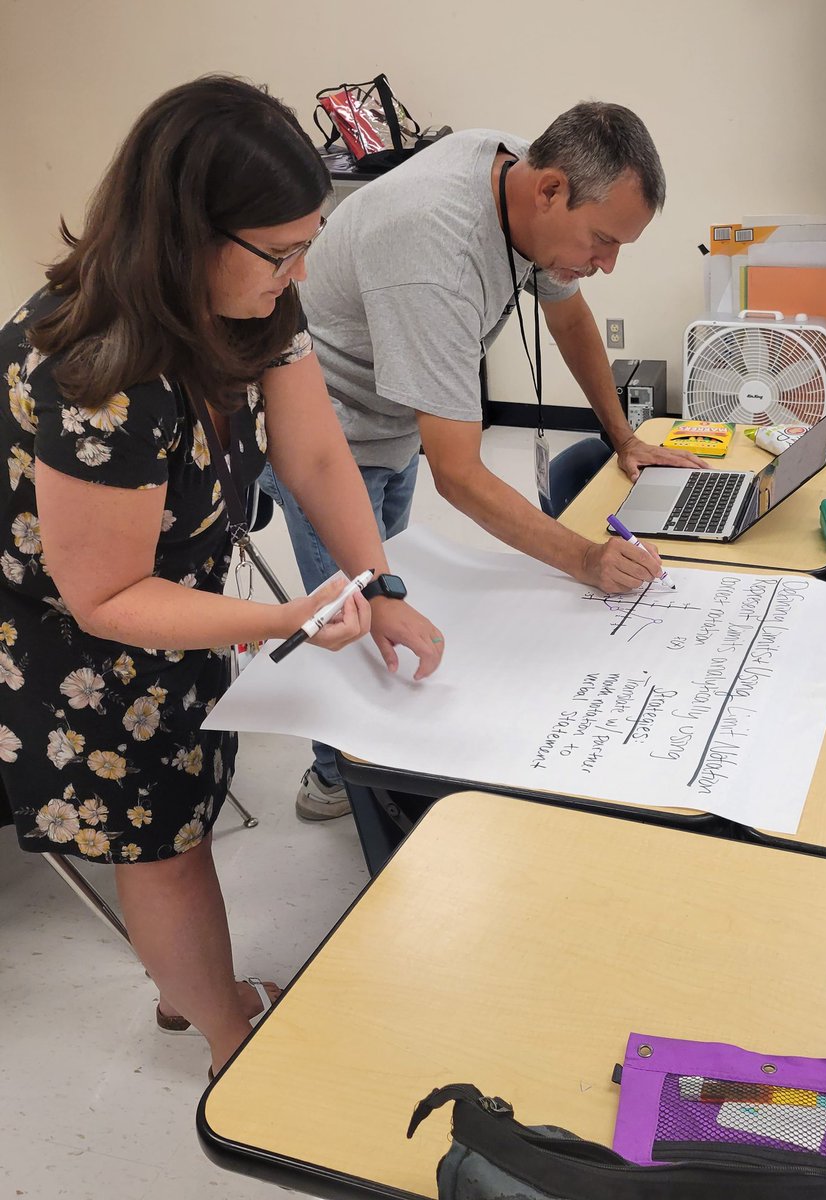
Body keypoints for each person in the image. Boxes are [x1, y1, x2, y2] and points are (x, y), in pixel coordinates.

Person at [0, 76, 444, 1079]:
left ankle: (185, 989)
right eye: (279, 253)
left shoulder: (244, 304)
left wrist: (380, 586)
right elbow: (105, 598)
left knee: (189, 806)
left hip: (174, 596)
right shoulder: (98, 375)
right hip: (83, 644)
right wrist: (290, 612)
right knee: (164, 843)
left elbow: (320, 458)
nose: (295, 274)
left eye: (307, 246)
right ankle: (226, 1034)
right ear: (187, 233)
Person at [260, 100, 704, 821]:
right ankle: (338, 776)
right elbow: (459, 475)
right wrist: (587, 561)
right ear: (551, 190)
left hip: (397, 418)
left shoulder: (515, 172)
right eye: (602, 240)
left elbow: (569, 317)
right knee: (360, 622)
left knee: (394, 593)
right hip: (329, 436)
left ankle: (381, 754)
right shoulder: (433, 249)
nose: (607, 263)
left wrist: (623, 436)